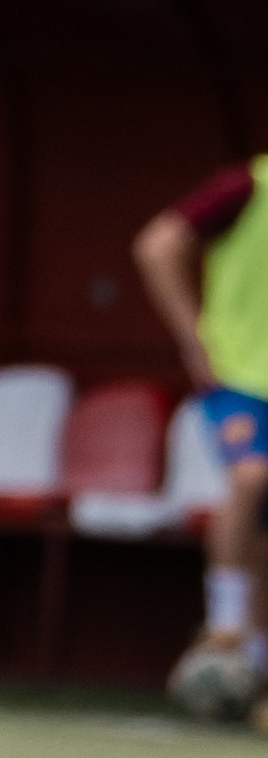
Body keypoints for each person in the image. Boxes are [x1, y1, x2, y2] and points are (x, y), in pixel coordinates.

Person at [134, 163, 268, 724]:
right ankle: (225, 621)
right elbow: (157, 244)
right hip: (240, 374)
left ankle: (256, 667)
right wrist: (193, 337)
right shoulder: (250, 185)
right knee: (252, 476)